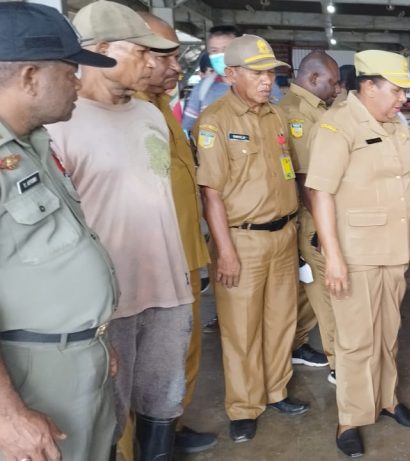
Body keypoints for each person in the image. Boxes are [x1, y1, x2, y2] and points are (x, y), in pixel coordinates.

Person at [45, 2, 190, 459]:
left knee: (163, 401)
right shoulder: (57, 124)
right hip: (108, 302)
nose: (154, 64)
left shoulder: (150, 116)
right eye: (142, 53)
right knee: (107, 413)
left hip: (168, 287)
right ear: (102, 49)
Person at [0, 5, 118, 461]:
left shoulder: (33, 143)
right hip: (30, 372)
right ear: (30, 76)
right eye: (70, 72)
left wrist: (97, 336)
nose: (78, 84)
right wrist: (7, 414)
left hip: (80, 357)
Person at [306, 49, 410, 458]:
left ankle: (387, 400)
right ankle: (350, 417)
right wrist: (335, 257)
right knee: (355, 340)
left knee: (388, 332)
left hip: (393, 248)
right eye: (396, 91)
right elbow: (320, 192)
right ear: (369, 86)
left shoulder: (395, 124)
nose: (402, 100)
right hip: (356, 252)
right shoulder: (337, 125)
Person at [195, 34, 307, 443]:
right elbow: (212, 193)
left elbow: (289, 172)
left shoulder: (275, 116)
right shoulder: (216, 121)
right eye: (257, 73)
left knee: (282, 320)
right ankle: (244, 406)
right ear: (231, 75)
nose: (266, 81)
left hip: (283, 234)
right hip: (242, 241)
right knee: (241, 329)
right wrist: (224, 250)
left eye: (270, 73)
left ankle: (275, 390)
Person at [136, 12, 218, 454]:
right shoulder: (122, 109)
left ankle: (171, 425)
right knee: (146, 362)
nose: (176, 67)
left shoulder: (160, 106)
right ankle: (139, 445)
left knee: (183, 351)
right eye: (165, 56)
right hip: (150, 261)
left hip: (185, 252)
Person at [279, 51, 341, 380]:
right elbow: (306, 179)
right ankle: (339, 365)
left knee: (311, 288)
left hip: (322, 213)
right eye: (331, 82)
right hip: (313, 217)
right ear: (313, 78)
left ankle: (296, 342)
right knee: (329, 292)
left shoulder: (318, 108)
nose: (336, 88)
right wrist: (323, 230)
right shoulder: (295, 113)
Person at [182, 25, 283, 134]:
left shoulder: (266, 84)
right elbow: (188, 129)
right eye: (214, 50)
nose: (220, 55)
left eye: (226, 49)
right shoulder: (202, 89)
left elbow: (281, 125)